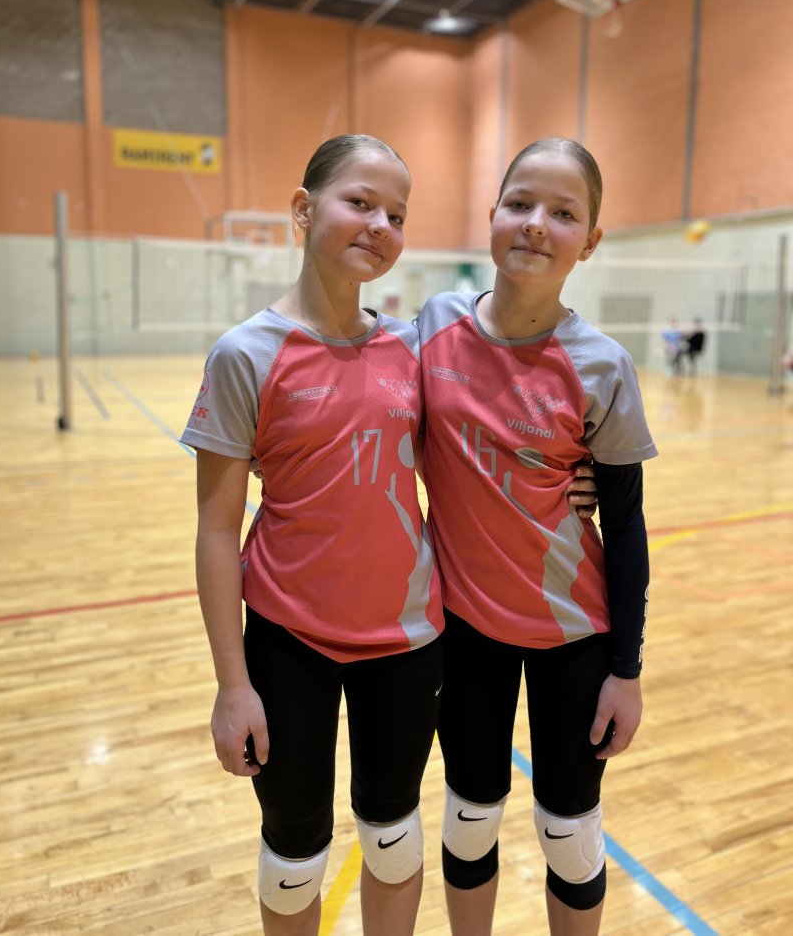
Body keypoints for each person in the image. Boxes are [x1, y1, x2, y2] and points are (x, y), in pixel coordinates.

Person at [180, 134, 599, 936]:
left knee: (394, 837)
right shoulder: (245, 355)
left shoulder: (414, 346)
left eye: (397, 214)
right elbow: (214, 530)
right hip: (288, 640)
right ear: (304, 210)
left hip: (408, 642)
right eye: (360, 202)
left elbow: (498, 426)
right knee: (294, 855)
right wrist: (232, 685)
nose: (380, 225)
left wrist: (590, 475)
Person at [418, 137, 657, 936]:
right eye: (519, 203)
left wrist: (626, 670)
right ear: (491, 214)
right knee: (469, 818)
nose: (534, 223)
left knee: (570, 832)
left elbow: (626, 526)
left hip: (574, 637)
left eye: (563, 213)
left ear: (590, 241)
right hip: (464, 633)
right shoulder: (431, 328)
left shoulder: (602, 366)